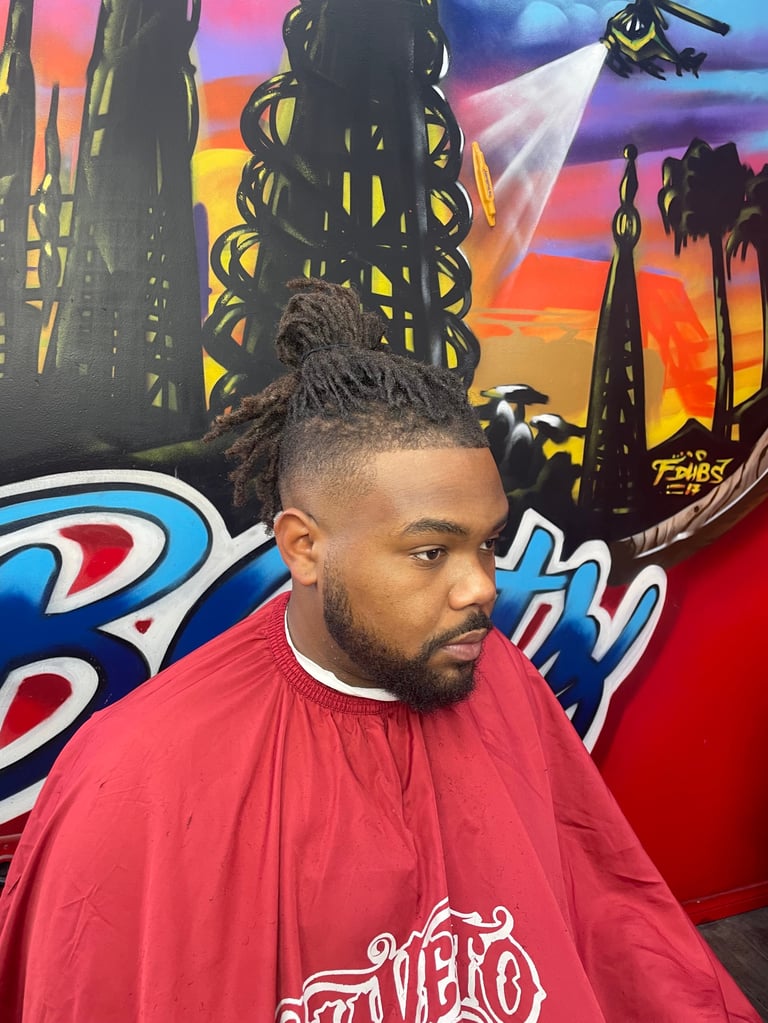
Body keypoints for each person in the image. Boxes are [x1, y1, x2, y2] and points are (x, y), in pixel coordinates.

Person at [0, 279, 759, 1022]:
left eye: (488, 543)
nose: (482, 588)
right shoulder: (135, 771)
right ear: (304, 547)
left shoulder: (501, 678)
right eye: (431, 552)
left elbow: (613, 928)